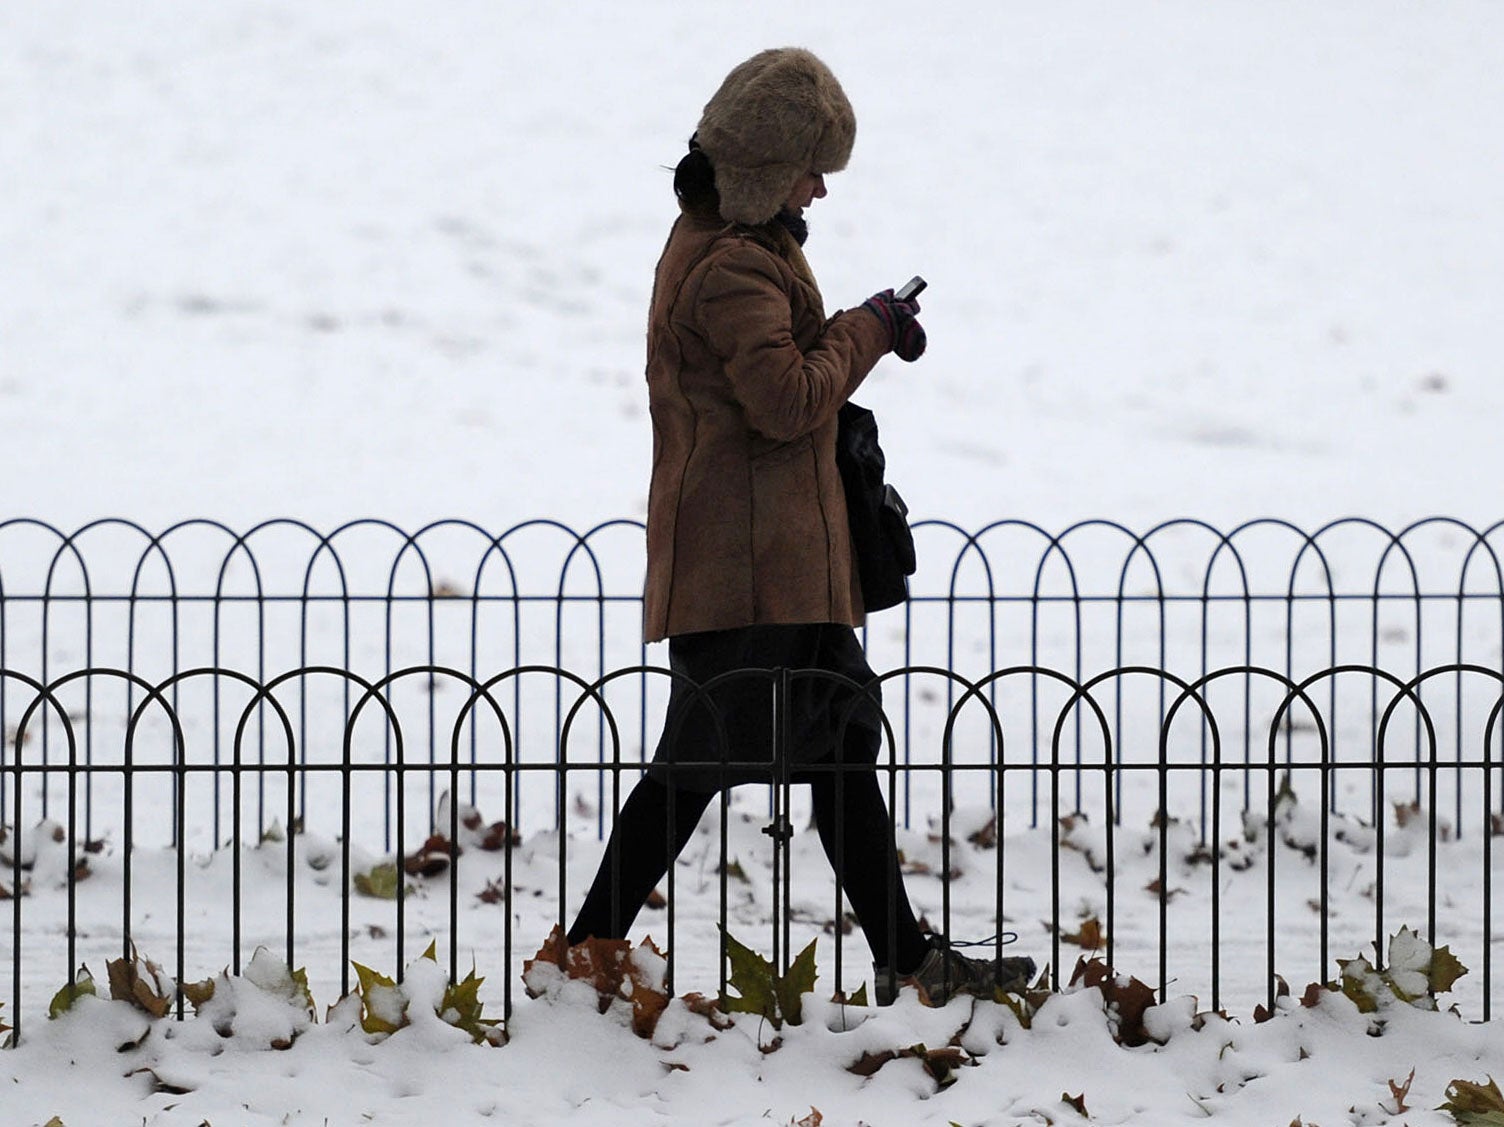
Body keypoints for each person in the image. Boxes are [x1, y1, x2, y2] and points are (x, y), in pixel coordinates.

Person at [565, 47, 1033, 1005]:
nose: (821, 189)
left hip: (774, 569)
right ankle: (583, 951)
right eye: (812, 168)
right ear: (769, 169)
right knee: (696, 771)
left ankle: (907, 957)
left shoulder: (732, 242)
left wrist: (861, 324)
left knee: (837, 750)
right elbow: (785, 400)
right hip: (749, 579)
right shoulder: (733, 265)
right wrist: (868, 329)